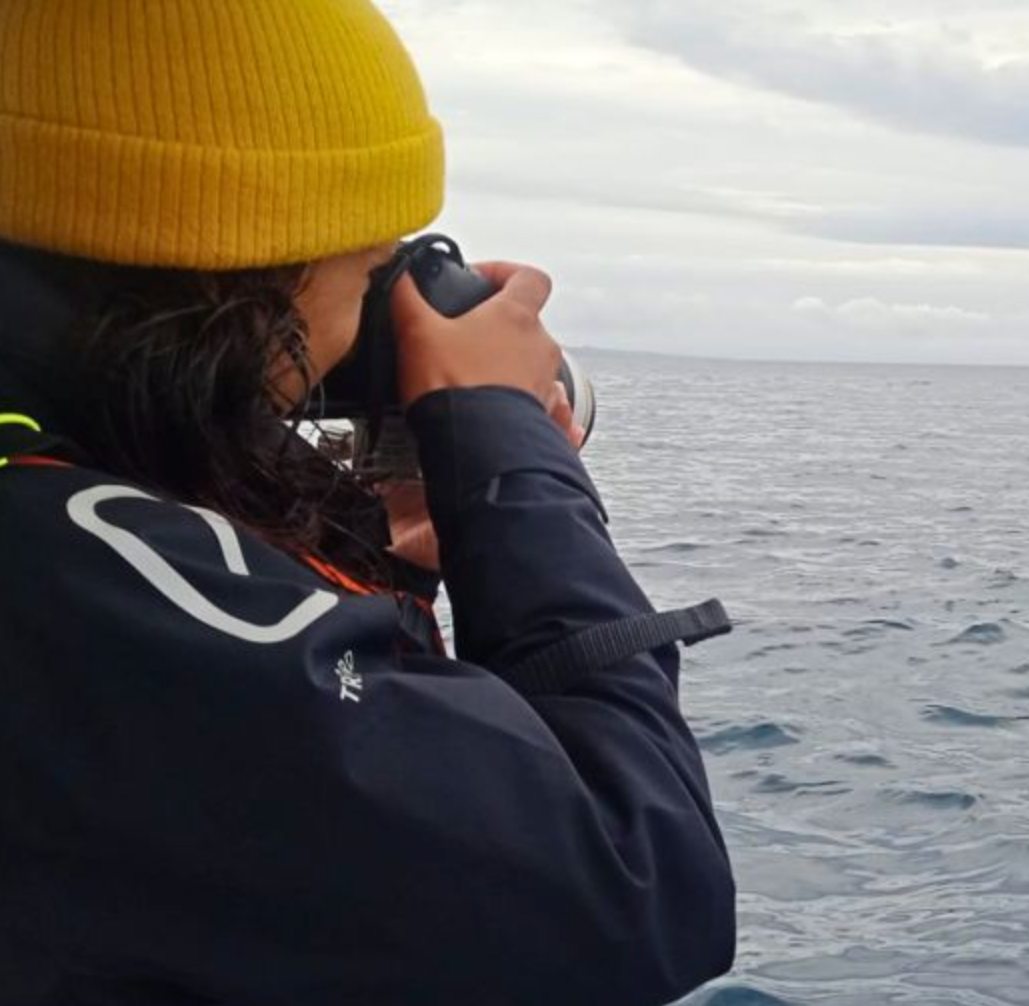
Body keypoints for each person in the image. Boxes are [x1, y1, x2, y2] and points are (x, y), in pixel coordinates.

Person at [0, 3, 736, 1004]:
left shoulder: (66, 519)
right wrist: (506, 446)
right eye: (363, 269)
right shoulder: (59, 563)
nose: (365, 330)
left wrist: (367, 570)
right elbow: (632, 886)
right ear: (245, 268)